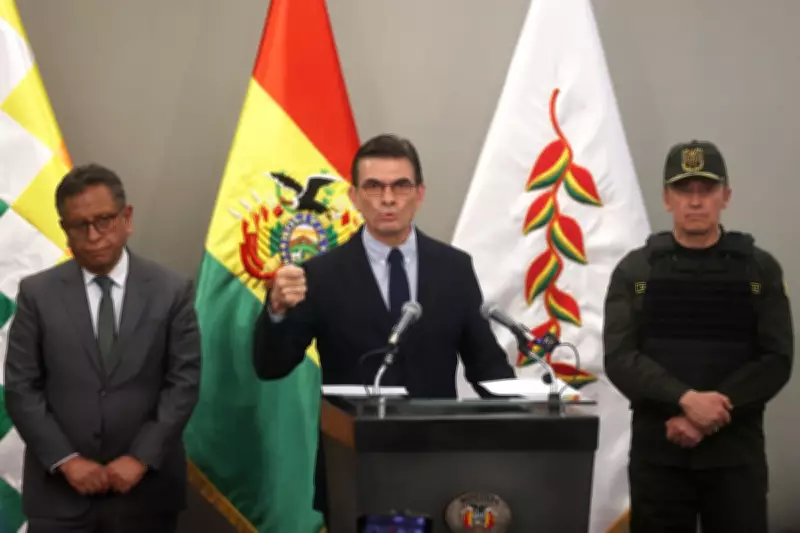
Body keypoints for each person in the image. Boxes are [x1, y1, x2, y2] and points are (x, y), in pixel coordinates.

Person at [253, 133, 515, 516]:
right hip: (353, 468)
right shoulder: (321, 274)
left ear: (419, 194)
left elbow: (486, 364)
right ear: (354, 197)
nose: (388, 199)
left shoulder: (454, 268)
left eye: (400, 186)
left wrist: (527, 420)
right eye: (374, 187)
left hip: (437, 465)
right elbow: (271, 366)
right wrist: (277, 310)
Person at [603, 140, 793, 533]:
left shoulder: (759, 270)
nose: (694, 201)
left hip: (735, 458)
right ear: (666, 198)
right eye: (683, 190)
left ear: (726, 196)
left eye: (706, 189)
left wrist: (708, 416)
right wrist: (685, 399)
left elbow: (776, 359)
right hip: (660, 456)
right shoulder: (636, 271)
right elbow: (620, 358)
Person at [4, 164, 201, 533]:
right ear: (65, 229)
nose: (93, 236)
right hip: (59, 497)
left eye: (104, 221)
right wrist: (67, 461)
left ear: (127, 218)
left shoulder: (171, 291)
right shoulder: (37, 294)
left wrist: (141, 459)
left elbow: (183, 384)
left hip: (147, 495)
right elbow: (21, 388)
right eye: (80, 226)